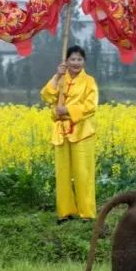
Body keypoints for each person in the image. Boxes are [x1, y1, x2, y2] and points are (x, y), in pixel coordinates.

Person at [40, 45, 98, 221]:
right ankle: (65, 212)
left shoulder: (89, 81)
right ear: (66, 61)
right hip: (61, 131)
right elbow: (46, 96)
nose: (76, 63)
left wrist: (67, 110)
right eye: (72, 59)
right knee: (63, 173)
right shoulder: (60, 78)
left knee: (83, 172)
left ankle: (86, 213)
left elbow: (90, 106)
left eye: (79, 59)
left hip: (82, 132)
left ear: (84, 61)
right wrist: (57, 75)